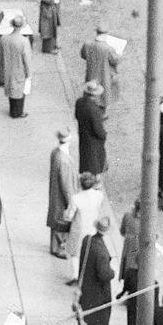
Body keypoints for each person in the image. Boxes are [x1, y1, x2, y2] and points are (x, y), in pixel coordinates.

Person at [75, 215, 114, 325]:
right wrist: (112, 272)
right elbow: (104, 274)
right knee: (96, 314)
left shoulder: (88, 239)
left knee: (85, 307)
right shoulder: (101, 252)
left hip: (85, 282)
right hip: (97, 289)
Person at [65, 172, 109, 284]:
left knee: (75, 252)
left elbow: (69, 216)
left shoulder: (76, 198)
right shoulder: (99, 195)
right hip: (92, 225)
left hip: (79, 228)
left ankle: (75, 275)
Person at [47, 127, 78, 259]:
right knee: (63, 223)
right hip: (62, 197)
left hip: (55, 194)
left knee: (56, 221)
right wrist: (71, 202)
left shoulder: (55, 153)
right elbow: (67, 185)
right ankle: (60, 248)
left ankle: (54, 246)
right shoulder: (64, 160)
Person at [80, 25, 119, 109]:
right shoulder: (108, 48)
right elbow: (114, 61)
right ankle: (101, 110)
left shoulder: (87, 44)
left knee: (90, 88)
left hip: (91, 72)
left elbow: (83, 55)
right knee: (102, 92)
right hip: (103, 74)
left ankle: (89, 105)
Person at [2, 13, 32, 118]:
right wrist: (29, 73)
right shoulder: (24, 41)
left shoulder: (5, 39)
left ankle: (12, 110)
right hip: (19, 69)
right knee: (19, 91)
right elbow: (27, 59)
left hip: (8, 68)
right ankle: (17, 112)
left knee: (11, 89)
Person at [75, 81, 108, 176]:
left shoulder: (79, 102)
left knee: (86, 161)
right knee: (94, 164)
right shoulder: (94, 110)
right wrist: (104, 135)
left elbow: (77, 116)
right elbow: (98, 130)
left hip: (83, 136)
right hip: (93, 142)